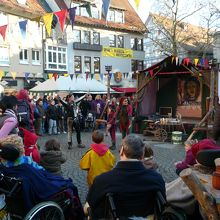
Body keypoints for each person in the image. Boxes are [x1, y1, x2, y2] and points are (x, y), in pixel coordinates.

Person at [85, 134, 166, 219]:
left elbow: (89, 208)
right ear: (142, 155)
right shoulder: (157, 178)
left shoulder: (102, 180)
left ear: (121, 151)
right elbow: (162, 204)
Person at [0, 144, 84, 219]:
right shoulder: (25, 168)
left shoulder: (3, 170)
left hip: (15, 198)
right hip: (38, 191)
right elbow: (42, 182)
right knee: (69, 186)